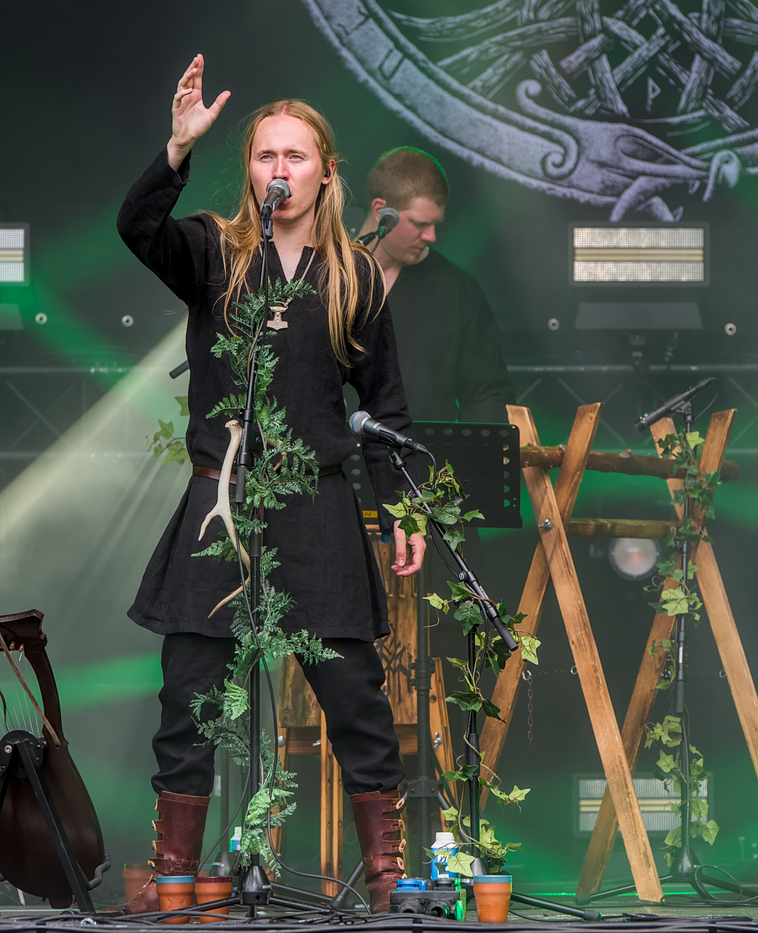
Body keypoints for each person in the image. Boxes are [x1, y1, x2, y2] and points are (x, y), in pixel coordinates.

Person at [114, 54, 426, 914]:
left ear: (325, 170)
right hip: (222, 501)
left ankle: (387, 879)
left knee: (354, 693)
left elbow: (386, 404)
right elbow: (136, 227)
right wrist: (177, 147)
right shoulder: (213, 252)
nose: (277, 169)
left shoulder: (354, 275)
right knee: (190, 691)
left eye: (294, 155)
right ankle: (175, 877)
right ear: (249, 170)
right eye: (264, 155)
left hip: (316, 503)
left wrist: (401, 507)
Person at [356, 147, 515, 424]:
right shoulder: (326, 276)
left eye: (435, 223)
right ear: (381, 211)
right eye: (419, 223)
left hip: (427, 452)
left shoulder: (458, 290)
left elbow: (488, 394)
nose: (431, 236)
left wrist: (464, 448)